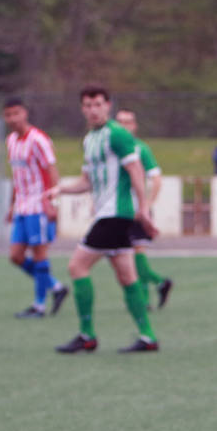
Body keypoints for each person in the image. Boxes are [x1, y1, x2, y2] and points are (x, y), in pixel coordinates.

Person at [49, 85, 160, 354]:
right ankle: (147, 337)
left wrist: (142, 208)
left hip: (114, 214)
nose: (92, 110)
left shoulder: (117, 134)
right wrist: (60, 189)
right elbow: (86, 182)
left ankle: (87, 335)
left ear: (107, 106)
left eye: (98, 104)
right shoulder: (89, 139)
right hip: (109, 215)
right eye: (87, 105)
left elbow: (136, 170)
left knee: (77, 267)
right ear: (82, 108)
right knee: (126, 275)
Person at [1, 97, 68, 318]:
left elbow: (52, 171)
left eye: (16, 113)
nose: (12, 119)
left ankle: (39, 306)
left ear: (25, 114)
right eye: (8, 115)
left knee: (40, 255)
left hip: (39, 205)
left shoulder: (38, 140)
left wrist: (53, 202)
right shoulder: (10, 140)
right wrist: (11, 206)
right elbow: (16, 176)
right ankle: (56, 287)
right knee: (15, 256)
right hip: (21, 207)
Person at [114, 109, 173, 309]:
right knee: (128, 258)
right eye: (120, 122)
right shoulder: (112, 149)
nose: (124, 126)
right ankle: (149, 294)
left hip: (138, 211)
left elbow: (156, 178)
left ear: (134, 125)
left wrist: (146, 205)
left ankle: (154, 288)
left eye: (128, 122)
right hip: (118, 212)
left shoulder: (140, 149)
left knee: (136, 256)